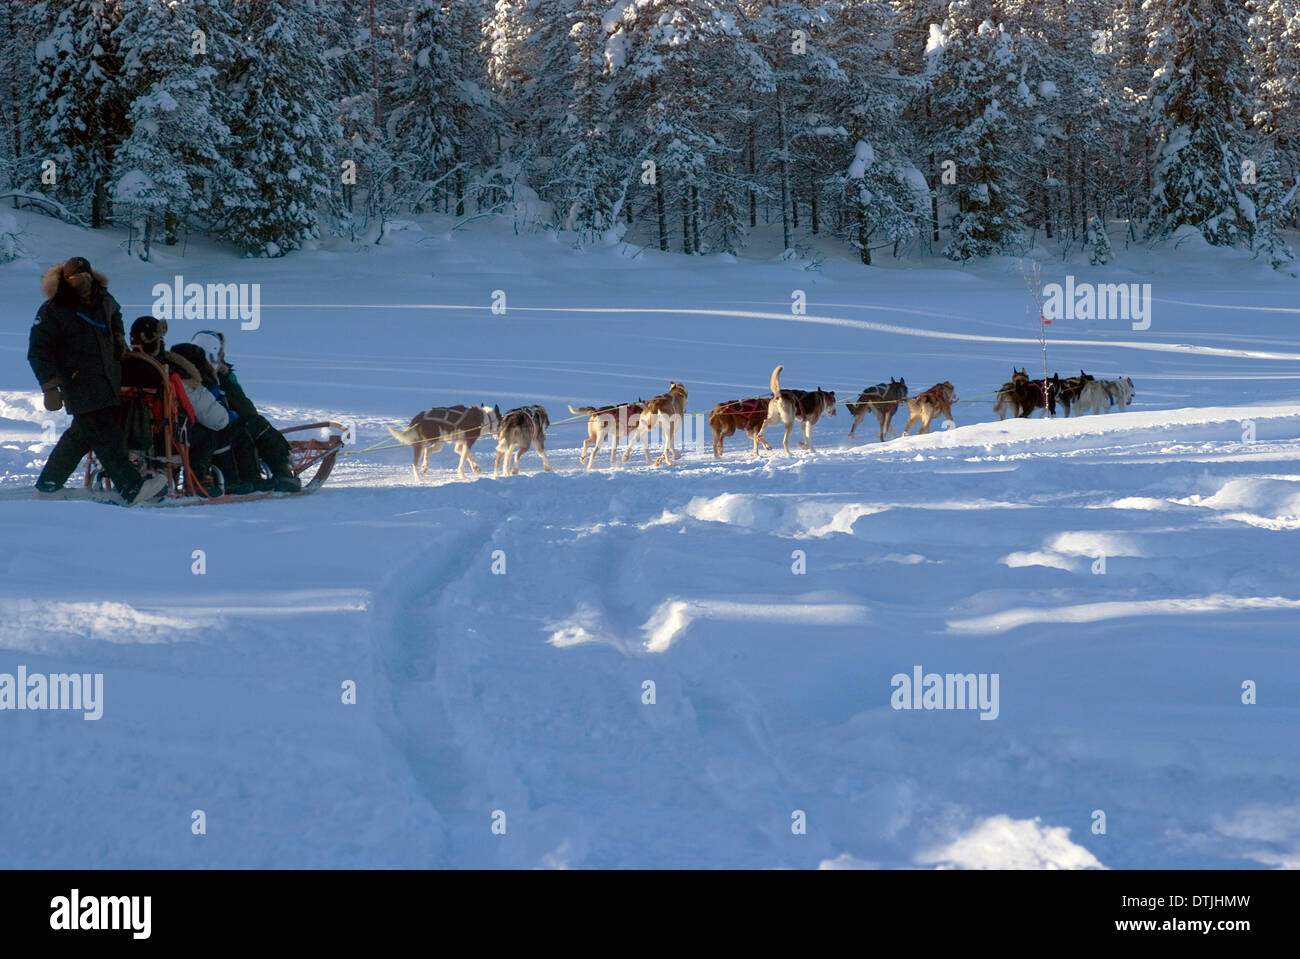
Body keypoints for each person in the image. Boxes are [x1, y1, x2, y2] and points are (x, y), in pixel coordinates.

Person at [27, 257, 167, 504]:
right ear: (66, 280)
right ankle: (132, 488)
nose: (84, 280)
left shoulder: (105, 299)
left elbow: (116, 314)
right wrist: (50, 387)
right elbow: (38, 351)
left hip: (107, 380)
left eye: (87, 275)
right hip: (77, 382)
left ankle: (49, 484)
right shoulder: (53, 310)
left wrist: (118, 336)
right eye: (77, 277)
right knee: (107, 435)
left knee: (81, 435)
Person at [191, 330, 300, 492]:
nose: (222, 357)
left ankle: (277, 471)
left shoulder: (195, 376)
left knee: (251, 424)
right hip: (212, 432)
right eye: (220, 352)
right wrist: (226, 379)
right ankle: (278, 472)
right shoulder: (207, 380)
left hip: (207, 430)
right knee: (255, 424)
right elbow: (246, 410)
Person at [169, 341, 264, 494]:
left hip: (156, 433)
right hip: (178, 437)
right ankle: (226, 481)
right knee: (224, 432)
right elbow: (219, 420)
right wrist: (232, 416)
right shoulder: (190, 385)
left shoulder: (164, 376)